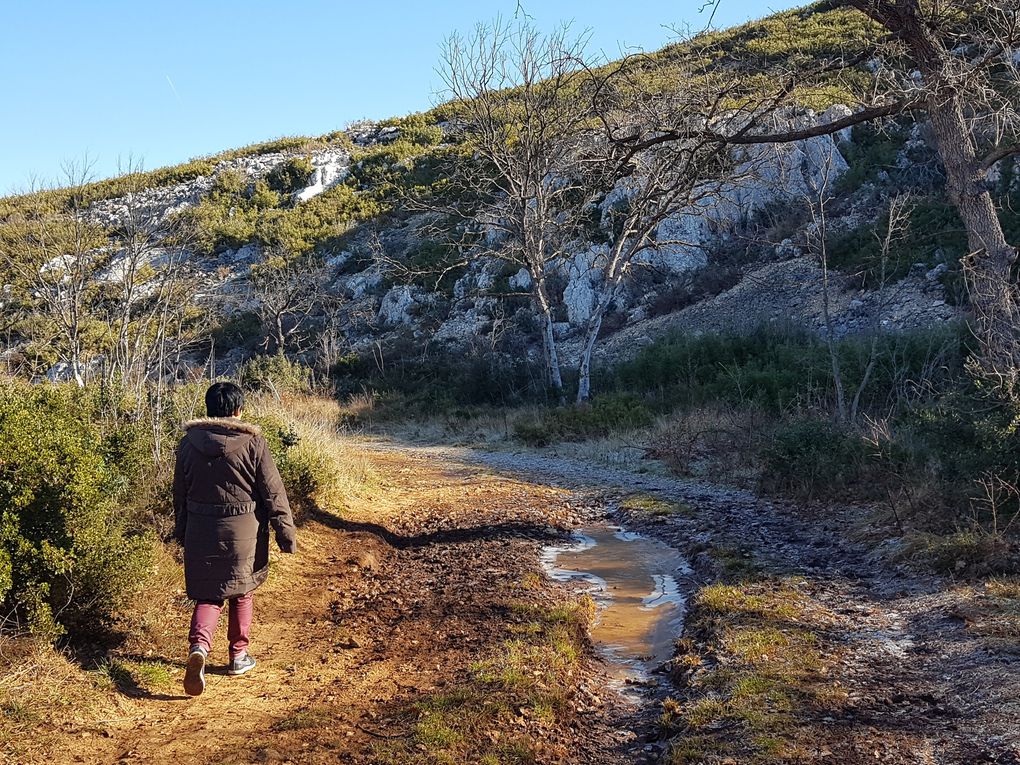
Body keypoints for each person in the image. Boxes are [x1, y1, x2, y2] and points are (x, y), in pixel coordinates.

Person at [173, 381, 297, 697]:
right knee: (242, 591)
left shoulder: (188, 444)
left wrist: (181, 531)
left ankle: (199, 648)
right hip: (245, 533)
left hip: (201, 530)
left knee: (208, 595)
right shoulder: (253, 443)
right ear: (239, 410)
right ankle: (238, 656)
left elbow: (180, 494)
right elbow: (272, 491)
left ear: (209, 409)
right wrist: (285, 533)